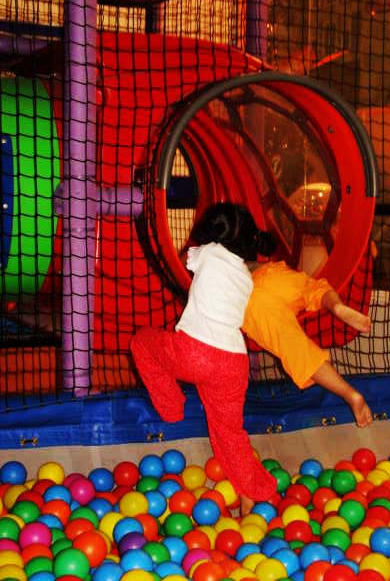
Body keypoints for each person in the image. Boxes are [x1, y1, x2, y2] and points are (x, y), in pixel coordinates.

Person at [130, 202, 277, 515]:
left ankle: (171, 407)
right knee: (229, 433)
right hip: (235, 362)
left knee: (142, 342)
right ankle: (252, 493)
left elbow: (183, 259)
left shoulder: (208, 252)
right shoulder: (245, 275)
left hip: (195, 352)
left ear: (212, 234)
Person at [242, 231, 373, 428]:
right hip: (272, 274)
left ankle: (350, 394)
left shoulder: (209, 257)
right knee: (313, 289)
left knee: (292, 344)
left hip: (250, 296)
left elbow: (184, 273)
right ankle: (334, 304)